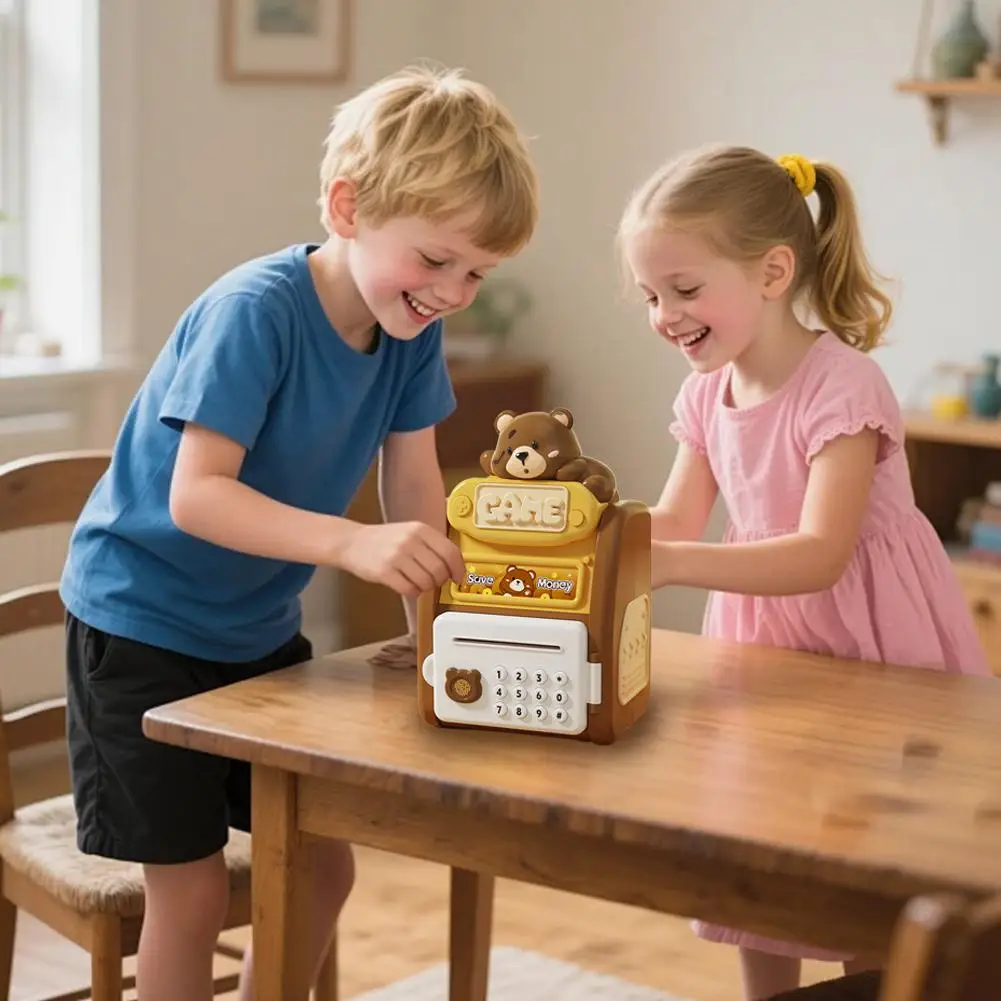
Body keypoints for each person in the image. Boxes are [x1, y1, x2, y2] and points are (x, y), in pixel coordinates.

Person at [58, 63, 539, 1001]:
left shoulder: (411, 330)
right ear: (349, 206)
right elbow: (199, 497)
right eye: (436, 260)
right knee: (191, 895)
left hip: (253, 638)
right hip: (138, 631)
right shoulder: (256, 312)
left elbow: (412, 475)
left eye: (477, 272)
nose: (451, 291)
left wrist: (430, 621)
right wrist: (350, 543)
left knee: (320, 866)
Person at [616, 144, 991, 1000]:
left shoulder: (843, 387)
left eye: (683, 288)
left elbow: (822, 552)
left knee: (871, 857)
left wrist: (667, 563)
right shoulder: (707, 397)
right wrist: (587, 529)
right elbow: (672, 520)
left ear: (772, 271)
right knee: (761, 835)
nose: (663, 314)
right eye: (648, 295)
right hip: (764, 636)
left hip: (873, 638)